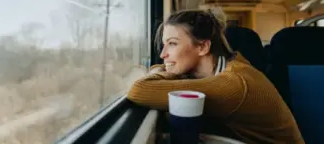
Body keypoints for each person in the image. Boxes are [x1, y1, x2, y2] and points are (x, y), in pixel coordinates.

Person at [127, 8, 304, 144]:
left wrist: (162, 73)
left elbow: (139, 90)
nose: (163, 54)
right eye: (164, 45)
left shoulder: (234, 83)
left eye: (172, 44)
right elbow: (161, 68)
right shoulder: (226, 66)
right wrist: (164, 70)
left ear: (203, 47)